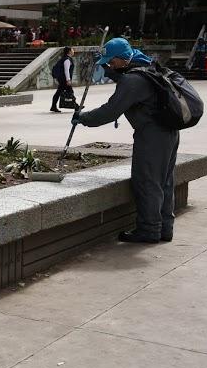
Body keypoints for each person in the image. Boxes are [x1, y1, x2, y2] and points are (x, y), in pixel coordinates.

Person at [72, 38, 178, 244]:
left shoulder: (133, 80)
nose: (110, 65)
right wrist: (107, 67)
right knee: (164, 181)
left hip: (152, 136)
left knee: (147, 182)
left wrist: (83, 118)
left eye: (111, 61)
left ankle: (148, 231)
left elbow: (110, 111)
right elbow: (127, 80)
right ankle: (165, 228)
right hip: (169, 132)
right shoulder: (146, 65)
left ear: (122, 59)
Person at [50, 47, 75, 113]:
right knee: (70, 92)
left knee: (59, 92)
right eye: (72, 49)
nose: (73, 51)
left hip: (61, 79)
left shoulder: (65, 58)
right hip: (64, 80)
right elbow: (66, 71)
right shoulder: (67, 60)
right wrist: (68, 80)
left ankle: (53, 106)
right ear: (69, 51)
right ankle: (76, 106)